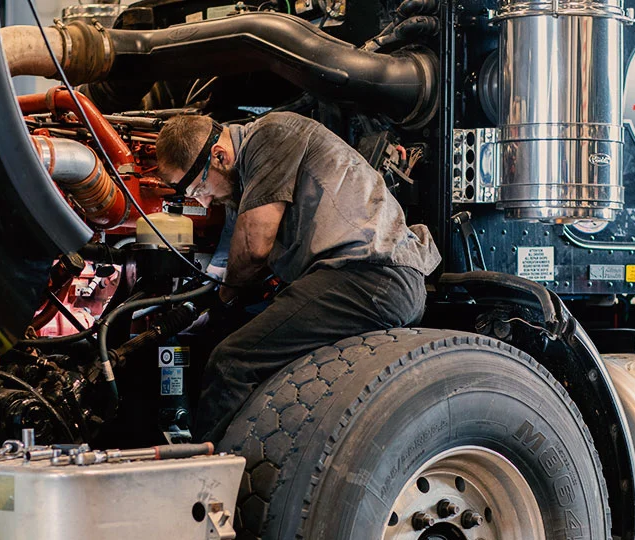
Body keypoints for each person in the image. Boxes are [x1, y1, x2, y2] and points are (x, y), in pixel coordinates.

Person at [155, 112, 441, 442]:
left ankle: (210, 485)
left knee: (231, 362)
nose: (203, 200)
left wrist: (219, 304)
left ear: (219, 156)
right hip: (361, 280)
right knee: (226, 344)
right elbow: (229, 261)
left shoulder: (268, 134)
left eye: (199, 187)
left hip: (372, 277)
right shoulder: (244, 180)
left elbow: (252, 250)